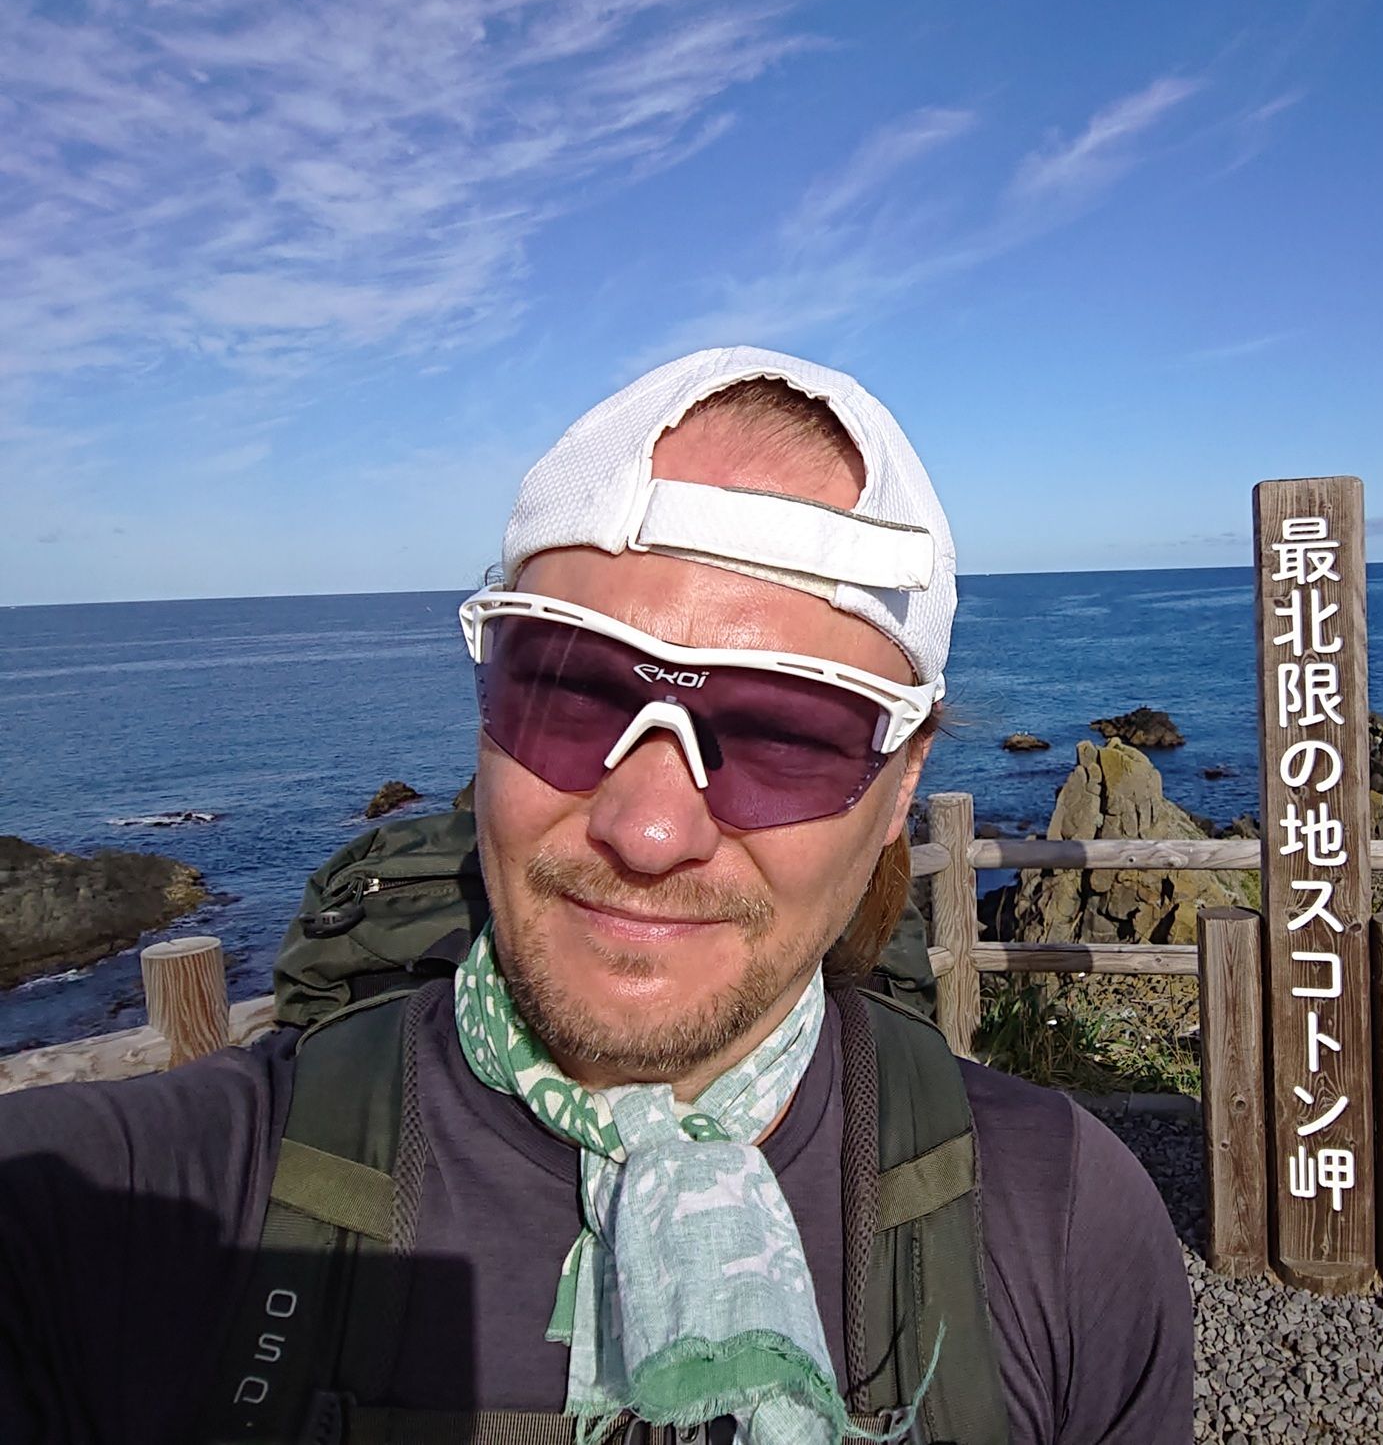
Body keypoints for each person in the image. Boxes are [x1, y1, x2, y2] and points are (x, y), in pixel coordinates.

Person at [0, 347, 1194, 1444]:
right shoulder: (134, 1218)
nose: (650, 828)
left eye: (789, 731)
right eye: (569, 690)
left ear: (902, 785)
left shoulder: (1061, 1228)